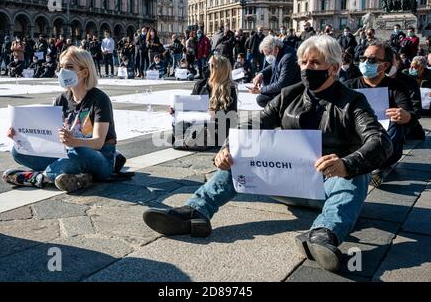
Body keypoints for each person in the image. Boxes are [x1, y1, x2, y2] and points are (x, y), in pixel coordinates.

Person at [143, 35, 393, 273]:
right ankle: (195, 212)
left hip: (327, 185)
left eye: (315, 63)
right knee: (238, 158)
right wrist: (226, 150)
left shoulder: (353, 101)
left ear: (335, 68)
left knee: (355, 177)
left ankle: (323, 235)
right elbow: (250, 126)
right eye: (303, 62)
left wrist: (346, 164)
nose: (307, 68)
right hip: (285, 182)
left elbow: (380, 141)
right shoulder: (288, 95)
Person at [3, 46, 117, 193]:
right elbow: (49, 138)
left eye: (69, 67)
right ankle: (79, 177)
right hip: (66, 154)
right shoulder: (60, 100)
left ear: (84, 72)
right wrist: (21, 137)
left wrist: (75, 142)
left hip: (99, 157)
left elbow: (98, 142)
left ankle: (40, 177)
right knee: (18, 151)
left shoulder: (99, 99)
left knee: (80, 152)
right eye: (61, 66)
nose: (63, 71)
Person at [344, 43, 414, 187]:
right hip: (357, 136)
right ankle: (368, 166)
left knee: (396, 123)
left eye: (371, 60)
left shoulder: (397, 86)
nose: (364, 63)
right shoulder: (348, 86)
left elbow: (409, 113)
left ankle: (369, 165)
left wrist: (405, 116)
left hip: (384, 137)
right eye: (362, 58)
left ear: (385, 65)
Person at [171, 55, 238, 148]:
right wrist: (176, 110)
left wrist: (216, 114)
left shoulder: (229, 88)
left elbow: (232, 115)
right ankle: (190, 138)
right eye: (208, 64)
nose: (207, 68)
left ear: (220, 69)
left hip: (216, 125)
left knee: (209, 130)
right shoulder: (200, 85)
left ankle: (189, 139)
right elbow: (190, 105)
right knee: (181, 123)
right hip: (197, 122)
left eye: (211, 65)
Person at [248, 36, 301, 107]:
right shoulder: (281, 52)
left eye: (268, 54)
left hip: (289, 93)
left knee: (261, 99)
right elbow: (272, 66)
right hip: (281, 87)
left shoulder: (288, 57)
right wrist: (261, 74)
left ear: (276, 49)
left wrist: (261, 90)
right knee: (265, 77)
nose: (267, 57)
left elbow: (281, 84)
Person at [388, 53, 426, 140]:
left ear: (397, 62)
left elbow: (416, 109)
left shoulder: (408, 82)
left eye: (390, 61)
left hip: (403, 125)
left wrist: (406, 116)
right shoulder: (370, 81)